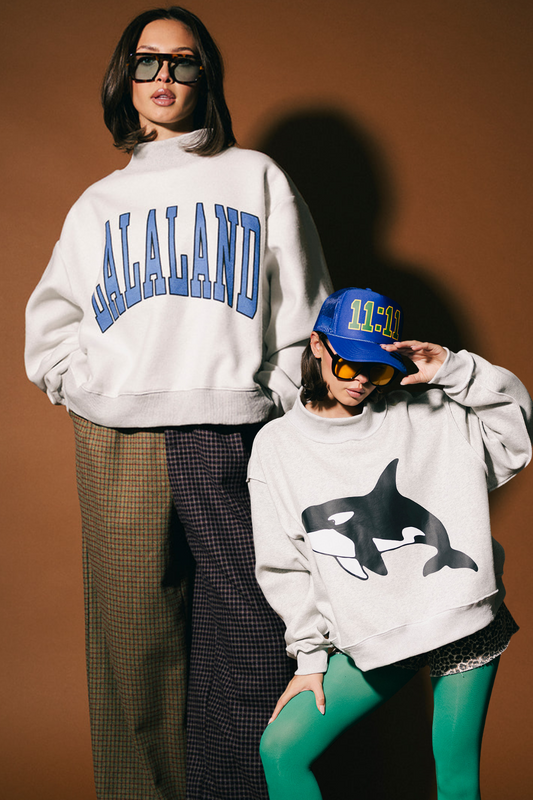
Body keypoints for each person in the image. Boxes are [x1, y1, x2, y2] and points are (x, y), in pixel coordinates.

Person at [24, 7, 331, 800]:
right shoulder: (98, 204)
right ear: (125, 79)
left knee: (255, 633)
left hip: (234, 430)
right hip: (119, 438)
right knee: (134, 653)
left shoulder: (255, 177)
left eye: (183, 61)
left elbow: (305, 309)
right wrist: (87, 391)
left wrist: (274, 396)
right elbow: (50, 327)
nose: (164, 77)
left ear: (205, 76)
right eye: (147, 61)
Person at [248, 286, 532, 800]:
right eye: (348, 364)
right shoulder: (276, 447)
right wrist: (310, 657)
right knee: (282, 750)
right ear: (318, 345)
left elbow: (515, 438)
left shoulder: (430, 413)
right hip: (376, 631)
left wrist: (454, 369)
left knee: (457, 779)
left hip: (463, 613)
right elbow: (283, 564)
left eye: (377, 370)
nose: (361, 380)